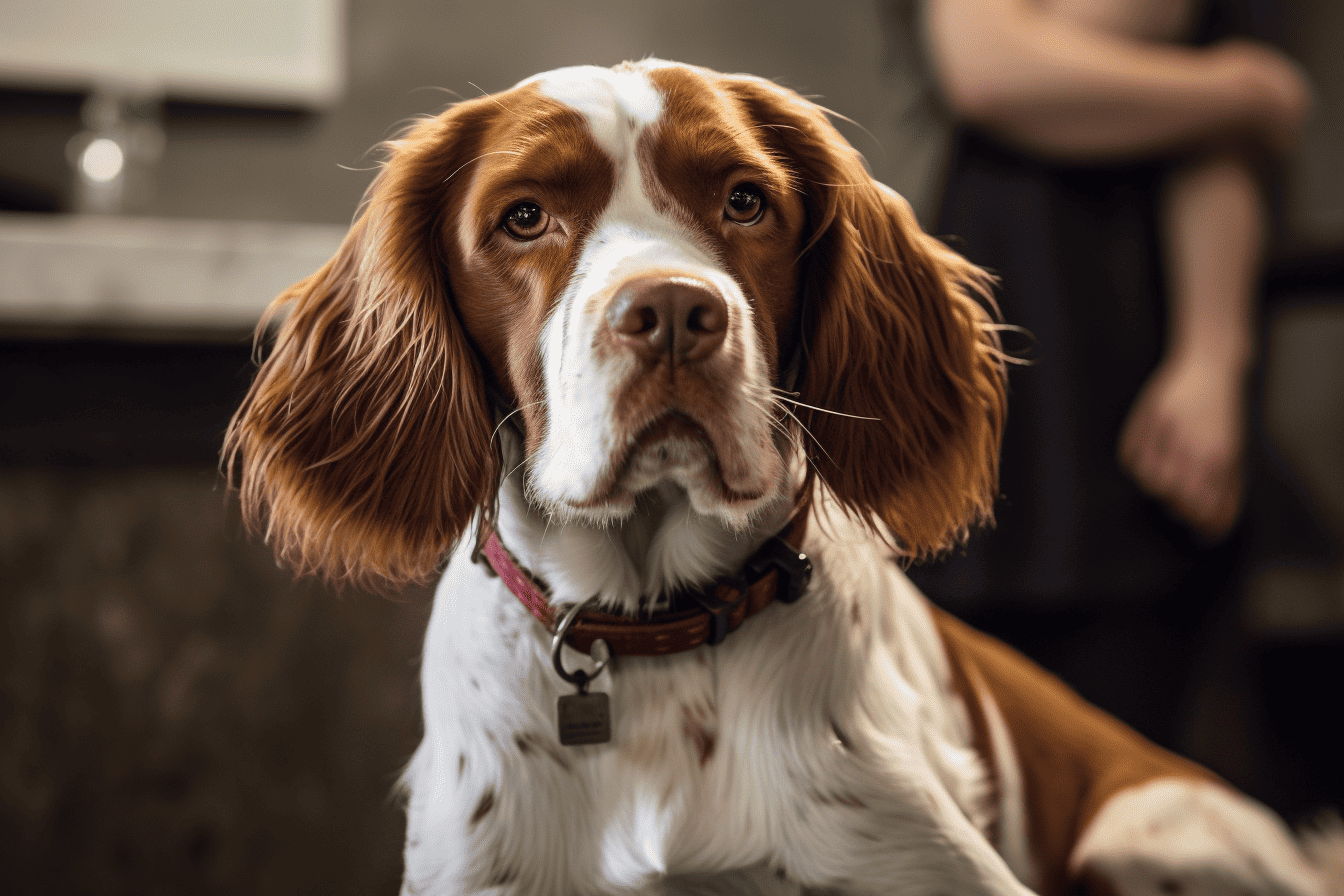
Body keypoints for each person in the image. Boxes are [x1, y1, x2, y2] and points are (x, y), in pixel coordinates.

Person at [897, 0, 1310, 749]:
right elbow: (984, 72)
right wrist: (1246, 87)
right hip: (994, 321)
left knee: (1132, 728)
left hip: (1140, 337)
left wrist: (1213, 353)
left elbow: (1218, 147)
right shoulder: (1226, 79)